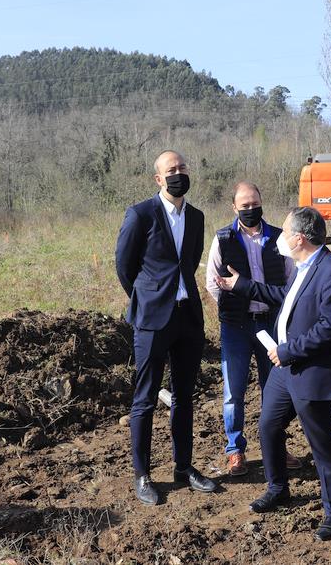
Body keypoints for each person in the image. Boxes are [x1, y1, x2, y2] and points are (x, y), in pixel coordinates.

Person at [215, 206, 331, 541]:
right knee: (268, 425)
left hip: (310, 370)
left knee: (322, 443)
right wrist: (243, 286)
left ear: (298, 238)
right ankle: (279, 488)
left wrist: (286, 351)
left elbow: (329, 327)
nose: (278, 237)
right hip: (285, 369)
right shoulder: (302, 265)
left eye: (284, 231)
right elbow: (286, 298)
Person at [115, 150, 218, 505]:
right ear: (158, 179)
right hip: (152, 320)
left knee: (184, 397)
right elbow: (124, 266)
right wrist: (146, 298)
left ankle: (183, 467)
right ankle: (142, 475)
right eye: (171, 170)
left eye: (182, 168)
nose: (178, 174)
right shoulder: (140, 214)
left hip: (187, 317)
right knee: (144, 399)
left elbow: (188, 263)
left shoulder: (198, 217)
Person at [205, 182, 301, 476]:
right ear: (234, 207)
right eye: (244, 205)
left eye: (254, 203)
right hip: (236, 326)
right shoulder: (223, 238)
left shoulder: (278, 237)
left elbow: (291, 279)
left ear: (262, 202)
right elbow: (212, 283)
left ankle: (276, 446)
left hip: (271, 324)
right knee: (233, 391)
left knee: (274, 390)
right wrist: (234, 306)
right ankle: (235, 450)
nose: (250, 209)